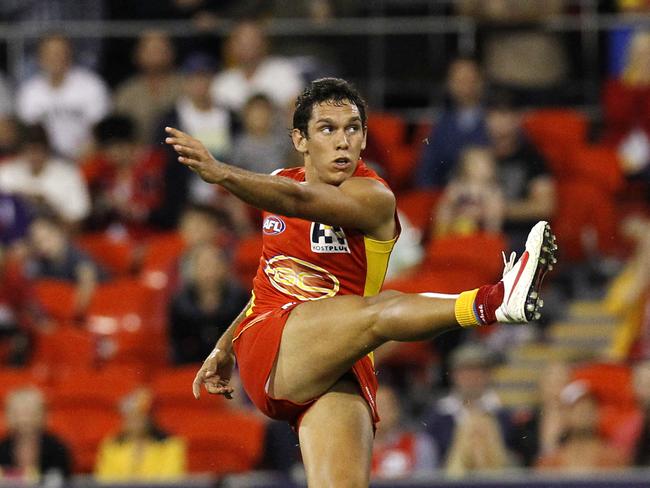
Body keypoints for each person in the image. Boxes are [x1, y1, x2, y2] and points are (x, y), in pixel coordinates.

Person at [164, 77, 556, 487]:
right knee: (379, 310)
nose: (342, 141)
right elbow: (269, 278)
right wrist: (225, 345)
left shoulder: (374, 197)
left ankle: (498, 301)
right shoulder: (280, 180)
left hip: (341, 362)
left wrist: (220, 172)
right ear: (300, 139)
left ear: (365, 137)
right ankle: (494, 301)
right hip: (274, 343)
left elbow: (300, 200)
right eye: (327, 129)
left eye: (352, 128)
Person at [16, 33, 110, 160]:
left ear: (70, 54)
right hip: (44, 160)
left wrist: (86, 152)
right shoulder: (29, 91)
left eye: (60, 52)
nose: (55, 58)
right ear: (40, 57)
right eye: (50, 53)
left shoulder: (92, 85)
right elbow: (30, 134)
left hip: (86, 157)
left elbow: (100, 130)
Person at [168, 242, 249, 364]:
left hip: (234, 367)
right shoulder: (180, 304)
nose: (210, 271)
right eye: (204, 265)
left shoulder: (240, 299)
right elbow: (178, 348)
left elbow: (246, 343)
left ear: (225, 267)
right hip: (192, 369)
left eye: (215, 264)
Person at [416, 57, 490, 188]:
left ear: (481, 81)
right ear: (449, 84)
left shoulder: (497, 119)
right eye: (459, 80)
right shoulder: (440, 127)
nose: (465, 86)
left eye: (470, 79)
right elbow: (427, 172)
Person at [0, 124, 91, 227]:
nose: (33, 157)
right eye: (28, 151)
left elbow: (78, 220)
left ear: (47, 150)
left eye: (38, 151)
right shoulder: (6, 172)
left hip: (57, 235)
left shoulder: (67, 174)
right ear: (20, 151)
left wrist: (47, 206)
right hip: (14, 238)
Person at [94, 387, 186, 481]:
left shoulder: (171, 445)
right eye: (130, 416)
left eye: (141, 415)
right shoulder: (111, 447)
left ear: (151, 418)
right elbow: (105, 481)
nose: (135, 421)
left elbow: (171, 481)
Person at [114, 31, 183, 144]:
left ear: (171, 52)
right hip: (138, 155)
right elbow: (120, 131)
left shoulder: (185, 85)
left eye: (160, 49)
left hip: (179, 152)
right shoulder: (126, 92)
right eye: (150, 50)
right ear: (137, 54)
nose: (155, 54)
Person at [0, 387, 71, 481]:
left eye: (30, 413)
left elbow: (64, 480)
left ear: (43, 414)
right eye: (19, 413)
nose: (24, 419)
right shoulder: (2, 448)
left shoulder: (57, 448)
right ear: (9, 415)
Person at [432, 146, 505, 238]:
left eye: (486, 164)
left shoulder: (492, 189)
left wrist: (479, 212)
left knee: (494, 209)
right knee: (444, 208)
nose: (481, 168)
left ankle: (491, 238)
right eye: (476, 164)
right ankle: (440, 237)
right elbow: (448, 202)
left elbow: (496, 210)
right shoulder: (458, 185)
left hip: (482, 223)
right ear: (465, 166)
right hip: (457, 220)